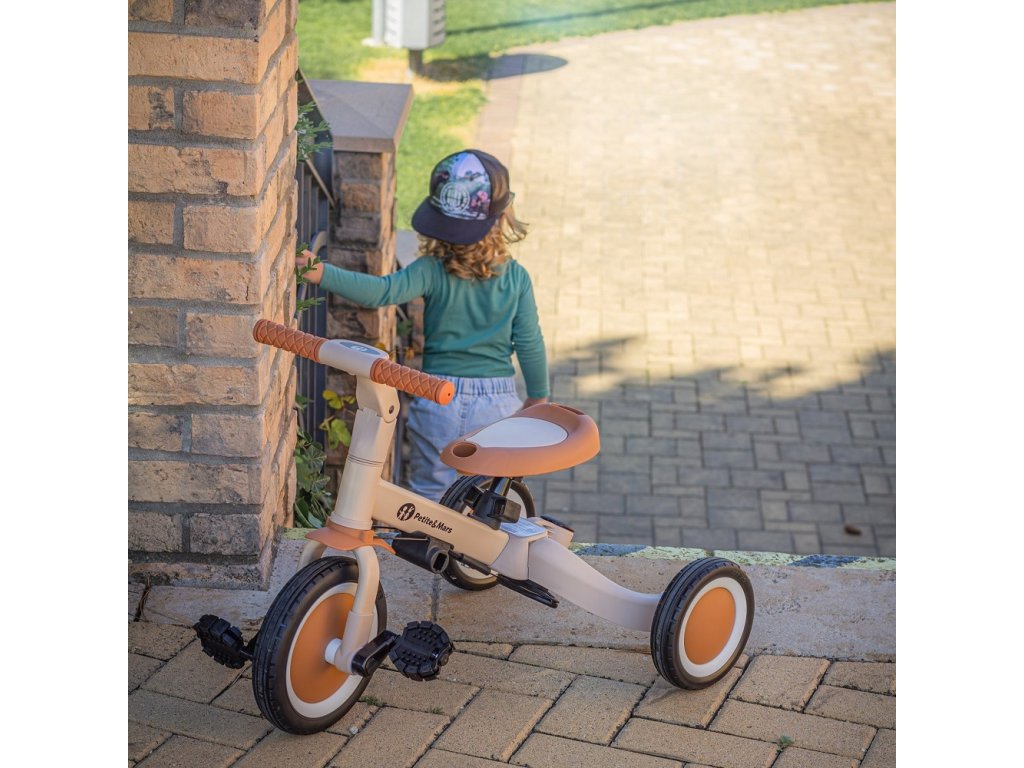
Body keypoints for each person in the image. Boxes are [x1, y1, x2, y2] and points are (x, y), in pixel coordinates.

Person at [296, 149, 550, 501]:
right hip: (496, 406)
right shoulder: (516, 278)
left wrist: (319, 271)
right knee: (495, 501)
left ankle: (424, 537)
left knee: (428, 499)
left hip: (437, 397)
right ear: (503, 216)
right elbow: (530, 342)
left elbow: (380, 292)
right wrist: (538, 396)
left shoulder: (431, 269)